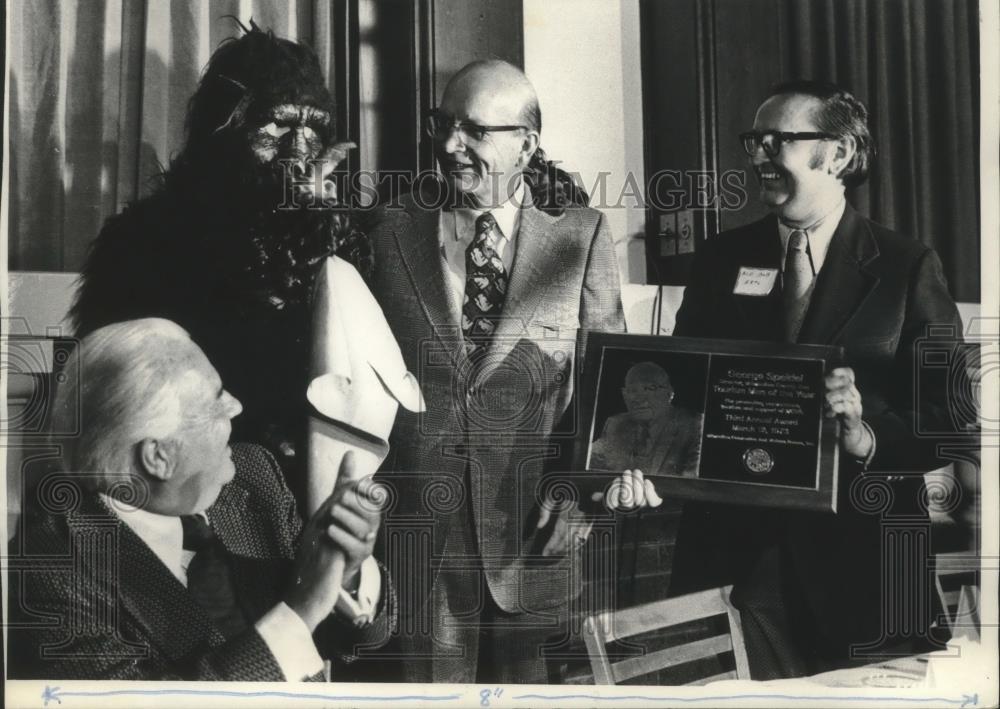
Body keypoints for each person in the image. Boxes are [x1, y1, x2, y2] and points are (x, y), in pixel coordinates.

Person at [364, 59, 657, 683]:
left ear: (526, 144)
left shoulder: (580, 238)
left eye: (474, 130)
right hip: (419, 548)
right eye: (443, 125)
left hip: (535, 541)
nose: (449, 145)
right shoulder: (388, 235)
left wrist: (581, 499)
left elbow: (613, 390)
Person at [669, 80, 964, 678]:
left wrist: (866, 437)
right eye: (755, 140)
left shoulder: (906, 265)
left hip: (865, 562)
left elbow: (950, 418)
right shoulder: (722, 259)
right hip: (734, 554)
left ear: (839, 154)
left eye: (779, 140)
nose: (758, 156)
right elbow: (680, 387)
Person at [68, 22, 375, 496]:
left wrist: (316, 234)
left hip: (314, 481)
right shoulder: (149, 236)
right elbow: (122, 401)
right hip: (189, 489)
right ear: (225, 128)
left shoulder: (336, 231)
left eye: (313, 129)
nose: (298, 149)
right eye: (277, 124)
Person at [7, 319, 394, 680]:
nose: (237, 407)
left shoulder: (252, 474)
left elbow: (354, 639)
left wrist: (345, 572)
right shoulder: (48, 574)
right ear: (158, 456)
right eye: (216, 402)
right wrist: (302, 609)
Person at [590, 361, 703, 477]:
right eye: (632, 390)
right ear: (624, 395)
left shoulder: (694, 425)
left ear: (669, 393)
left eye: (650, 388)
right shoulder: (616, 424)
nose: (638, 399)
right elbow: (588, 465)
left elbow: (693, 485)